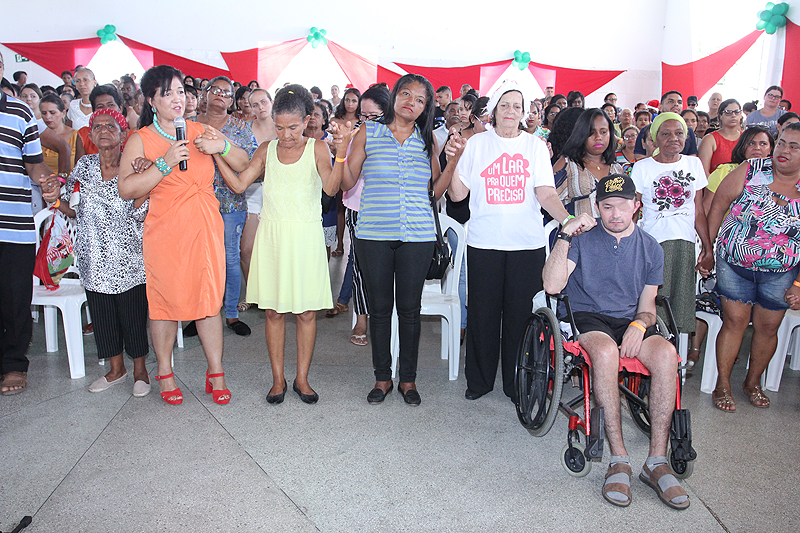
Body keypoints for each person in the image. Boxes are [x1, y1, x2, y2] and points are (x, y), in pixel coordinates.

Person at [541, 174, 690, 510]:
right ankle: (618, 459)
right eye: (607, 207)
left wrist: (639, 323)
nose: (615, 214)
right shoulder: (583, 240)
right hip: (587, 316)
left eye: (623, 206)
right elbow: (551, 286)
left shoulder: (650, 248)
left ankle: (656, 461)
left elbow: (648, 306)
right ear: (597, 208)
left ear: (636, 205)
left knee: (667, 354)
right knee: (606, 352)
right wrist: (565, 234)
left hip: (629, 319)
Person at [445, 80, 592, 403]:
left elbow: (546, 192)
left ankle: (517, 384)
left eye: (517, 106)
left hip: (526, 246)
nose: (510, 111)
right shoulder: (476, 144)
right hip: (484, 243)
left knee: (520, 318)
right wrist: (453, 161)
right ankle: (479, 381)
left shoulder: (535, 147)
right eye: (505, 105)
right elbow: (457, 195)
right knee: (482, 315)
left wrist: (566, 219)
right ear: (494, 110)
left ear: (524, 112)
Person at [215, 84, 344, 405]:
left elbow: (331, 188)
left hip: (306, 238)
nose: (286, 135)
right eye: (280, 127)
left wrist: (340, 153)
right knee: (273, 312)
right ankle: (277, 379)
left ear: (307, 121)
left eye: (293, 127)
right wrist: (217, 154)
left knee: (306, 313)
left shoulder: (317, 148)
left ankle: (302, 378)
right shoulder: (266, 150)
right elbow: (239, 184)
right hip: (272, 238)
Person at [117, 65, 238, 406]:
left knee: (209, 301)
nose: (177, 98)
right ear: (151, 100)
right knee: (165, 304)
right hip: (166, 232)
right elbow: (127, 189)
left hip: (205, 227)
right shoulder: (141, 139)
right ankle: (165, 372)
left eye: (181, 91)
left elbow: (242, 162)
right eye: (167, 93)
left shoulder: (200, 131)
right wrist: (164, 163)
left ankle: (216, 372)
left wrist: (221, 146)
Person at [336, 74, 447, 406]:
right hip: (373, 234)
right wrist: (341, 152)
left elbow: (435, 192)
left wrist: (453, 162)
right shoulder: (369, 132)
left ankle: (408, 380)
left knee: (410, 310)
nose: (411, 102)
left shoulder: (427, 139)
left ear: (426, 108)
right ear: (395, 96)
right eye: (406, 94)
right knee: (380, 309)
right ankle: (382, 378)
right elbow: (347, 182)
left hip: (418, 236)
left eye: (420, 99)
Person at [44, 109, 152, 396]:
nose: (104, 131)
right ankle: (116, 369)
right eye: (98, 127)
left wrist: (146, 178)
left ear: (123, 134)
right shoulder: (84, 166)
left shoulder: (134, 166)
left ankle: (140, 371)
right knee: (102, 316)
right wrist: (54, 200)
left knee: (132, 315)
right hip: (93, 257)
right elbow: (72, 208)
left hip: (129, 257)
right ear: (90, 135)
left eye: (111, 126)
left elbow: (143, 209)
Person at [706, 122, 800, 411]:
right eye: (781, 142)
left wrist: (799, 284)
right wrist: (708, 249)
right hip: (734, 263)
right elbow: (718, 205)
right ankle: (723, 384)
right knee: (734, 322)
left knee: (768, 327)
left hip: (782, 273)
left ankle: (752, 382)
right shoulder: (752, 169)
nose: (783, 150)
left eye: (794, 146)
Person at [687, 126, 775, 370]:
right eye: (751, 143)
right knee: (711, 297)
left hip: (767, 257)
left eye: (763, 144)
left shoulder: (780, 176)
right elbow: (708, 209)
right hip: (726, 248)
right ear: (742, 146)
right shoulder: (725, 171)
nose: (757, 148)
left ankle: (737, 354)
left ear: (772, 149)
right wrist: (707, 248)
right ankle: (697, 348)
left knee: (763, 316)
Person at [0, 50, 58, 395]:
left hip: (12, 222)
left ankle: (13, 364)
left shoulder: (20, 111)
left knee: (14, 297)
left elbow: (34, 163)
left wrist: (47, 181)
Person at [631, 112, 713, 343]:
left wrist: (707, 249)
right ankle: (651, 350)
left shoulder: (693, 164)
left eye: (679, 133)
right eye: (665, 134)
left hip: (685, 245)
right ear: (655, 138)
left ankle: (673, 356)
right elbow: (634, 211)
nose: (673, 138)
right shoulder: (642, 167)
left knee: (679, 309)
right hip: (654, 244)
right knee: (652, 305)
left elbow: (698, 210)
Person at [192, 76, 258, 338]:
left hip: (230, 203)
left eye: (227, 92)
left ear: (232, 101)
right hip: (195, 203)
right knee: (198, 259)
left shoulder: (240, 128)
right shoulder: (190, 125)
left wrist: (221, 146)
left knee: (230, 258)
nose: (221, 95)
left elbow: (249, 163)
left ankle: (231, 313)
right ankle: (200, 313)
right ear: (204, 94)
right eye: (215, 90)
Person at [328, 86, 391, 347]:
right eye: (362, 116)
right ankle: (361, 318)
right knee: (359, 265)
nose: (365, 121)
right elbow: (346, 175)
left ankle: (384, 317)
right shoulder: (356, 133)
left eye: (372, 116)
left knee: (387, 268)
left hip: (387, 209)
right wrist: (340, 149)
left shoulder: (397, 136)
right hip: (358, 206)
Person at [238, 88, 277, 313]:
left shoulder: (282, 127)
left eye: (264, 102)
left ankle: (275, 292)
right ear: (250, 107)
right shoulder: (245, 130)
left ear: (271, 102)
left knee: (276, 247)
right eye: (255, 104)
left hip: (278, 192)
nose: (260, 107)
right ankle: (252, 293)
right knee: (247, 249)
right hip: (252, 191)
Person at [554, 108, 626, 217]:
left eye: (603, 132)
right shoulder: (567, 164)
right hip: (577, 227)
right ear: (581, 134)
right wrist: (568, 221)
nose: (598, 137)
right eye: (591, 133)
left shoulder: (617, 169)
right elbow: (548, 200)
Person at [633, 91, 699, 161]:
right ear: (660, 107)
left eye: (679, 102)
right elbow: (639, 156)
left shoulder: (689, 131)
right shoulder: (647, 129)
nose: (676, 104)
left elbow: (692, 155)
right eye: (671, 101)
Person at [698, 99, 742, 176]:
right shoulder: (710, 139)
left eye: (737, 112)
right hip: (715, 183)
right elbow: (703, 172)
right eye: (728, 112)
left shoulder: (746, 138)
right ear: (720, 116)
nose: (733, 115)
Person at [39, 93, 78, 172]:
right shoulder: (38, 136)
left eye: (52, 112)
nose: (47, 117)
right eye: (44, 113)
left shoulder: (77, 136)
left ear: (63, 113)